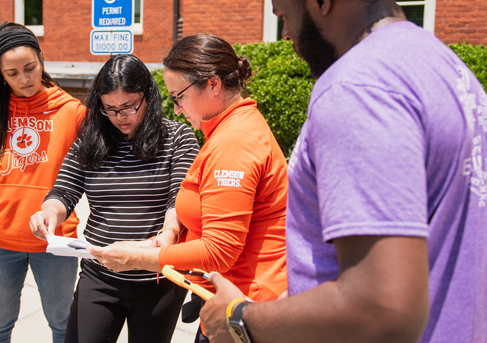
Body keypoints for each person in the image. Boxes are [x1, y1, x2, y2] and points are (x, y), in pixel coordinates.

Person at [198, 0, 487, 342]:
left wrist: (241, 319)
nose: (286, 33)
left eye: (285, 15)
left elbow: (382, 306)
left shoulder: (357, 87)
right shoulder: (444, 66)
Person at [89, 34, 289, 342]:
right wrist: (155, 244)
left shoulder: (233, 143)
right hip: (234, 302)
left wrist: (136, 259)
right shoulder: (230, 130)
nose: (177, 109)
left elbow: (219, 251)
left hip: (247, 309)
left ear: (213, 84)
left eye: (178, 96)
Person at [29, 54, 201, 343]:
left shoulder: (178, 137)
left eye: (129, 106)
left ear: (149, 95)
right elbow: (64, 191)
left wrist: (167, 236)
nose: (121, 117)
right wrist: (48, 212)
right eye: (110, 109)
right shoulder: (91, 138)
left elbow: (180, 199)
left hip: (157, 280)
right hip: (100, 274)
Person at [0, 22, 86, 343]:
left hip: (55, 244)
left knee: (63, 323)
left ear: (41, 59)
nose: (24, 79)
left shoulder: (71, 111)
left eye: (30, 67)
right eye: (12, 73)